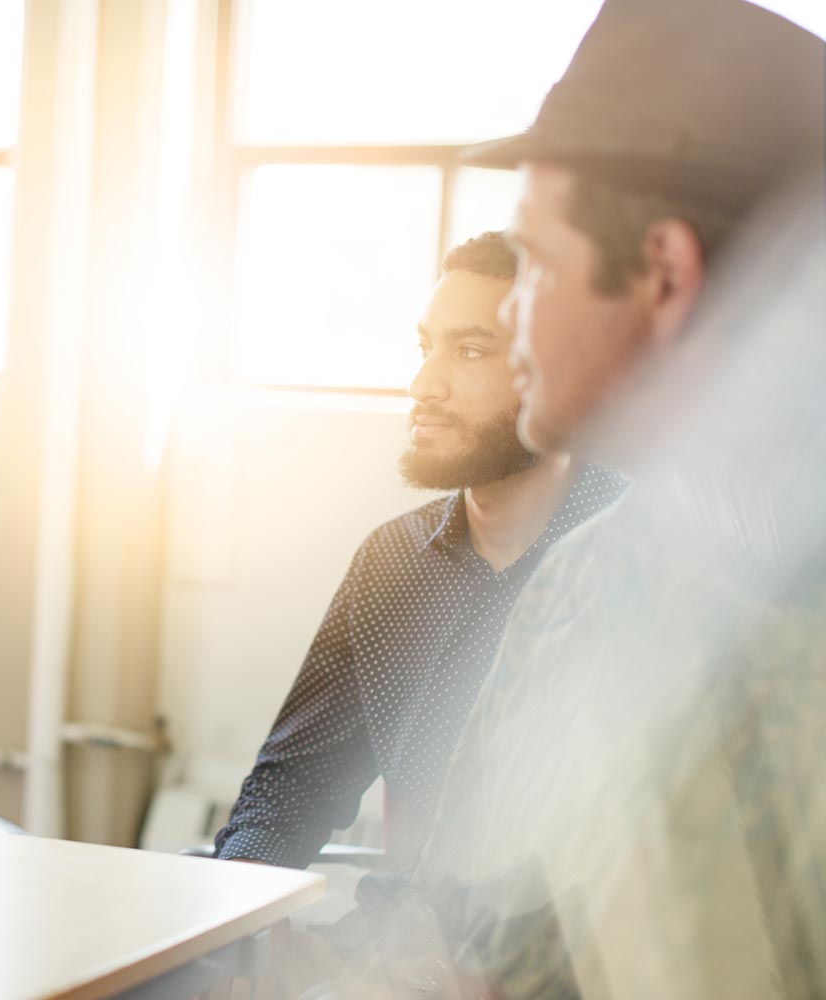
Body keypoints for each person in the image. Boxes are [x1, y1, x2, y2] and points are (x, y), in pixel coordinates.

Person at [308, 1, 825, 996]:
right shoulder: (584, 582)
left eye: (535, 262)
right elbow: (474, 940)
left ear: (665, 272)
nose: (508, 311)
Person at [214, 233, 623, 872]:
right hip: (396, 953)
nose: (423, 384)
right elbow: (291, 788)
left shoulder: (638, 550)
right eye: (425, 348)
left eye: (470, 350)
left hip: (559, 961)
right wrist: (241, 918)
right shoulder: (393, 564)